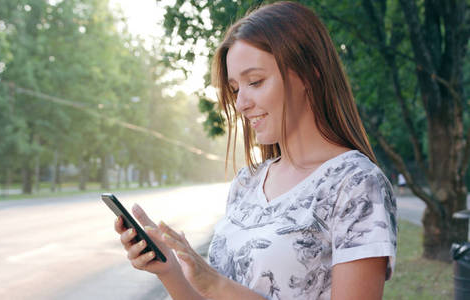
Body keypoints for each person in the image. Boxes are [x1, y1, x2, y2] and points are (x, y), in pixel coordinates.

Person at [114, 2, 397, 299]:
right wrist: (169, 269)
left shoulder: (355, 184)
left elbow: (221, 289)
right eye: (236, 88)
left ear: (309, 75)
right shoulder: (246, 183)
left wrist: (215, 283)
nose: (240, 104)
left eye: (255, 82)